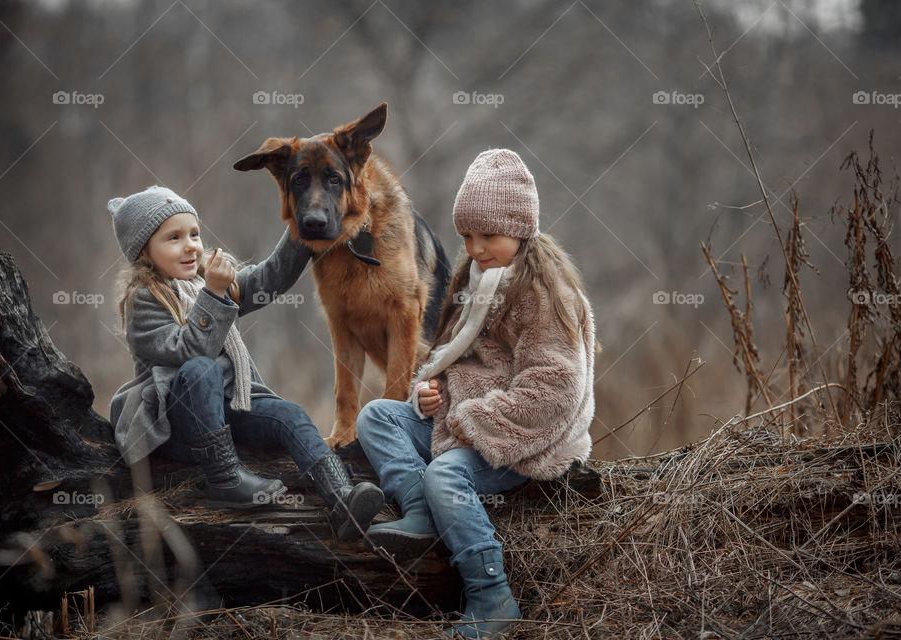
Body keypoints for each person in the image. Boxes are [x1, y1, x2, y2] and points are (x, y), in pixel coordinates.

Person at [356, 150, 597, 638]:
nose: (476, 246)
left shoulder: (544, 293)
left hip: (523, 437)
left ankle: (492, 595)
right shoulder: (475, 279)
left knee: (446, 475)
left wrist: (472, 420)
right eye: (468, 235)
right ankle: (419, 508)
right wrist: (430, 391)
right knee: (377, 417)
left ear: (520, 229)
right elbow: (453, 356)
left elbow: (556, 388)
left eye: (489, 235)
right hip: (461, 418)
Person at [107, 185, 383, 539]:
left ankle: (342, 499)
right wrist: (214, 294)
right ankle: (225, 480)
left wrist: (303, 223)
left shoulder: (211, 281)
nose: (191, 244)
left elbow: (271, 277)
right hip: (178, 425)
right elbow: (192, 351)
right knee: (200, 369)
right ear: (144, 252)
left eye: (194, 233)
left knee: (291, 415)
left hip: (229, 412)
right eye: (173, 238)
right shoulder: (144, 301)